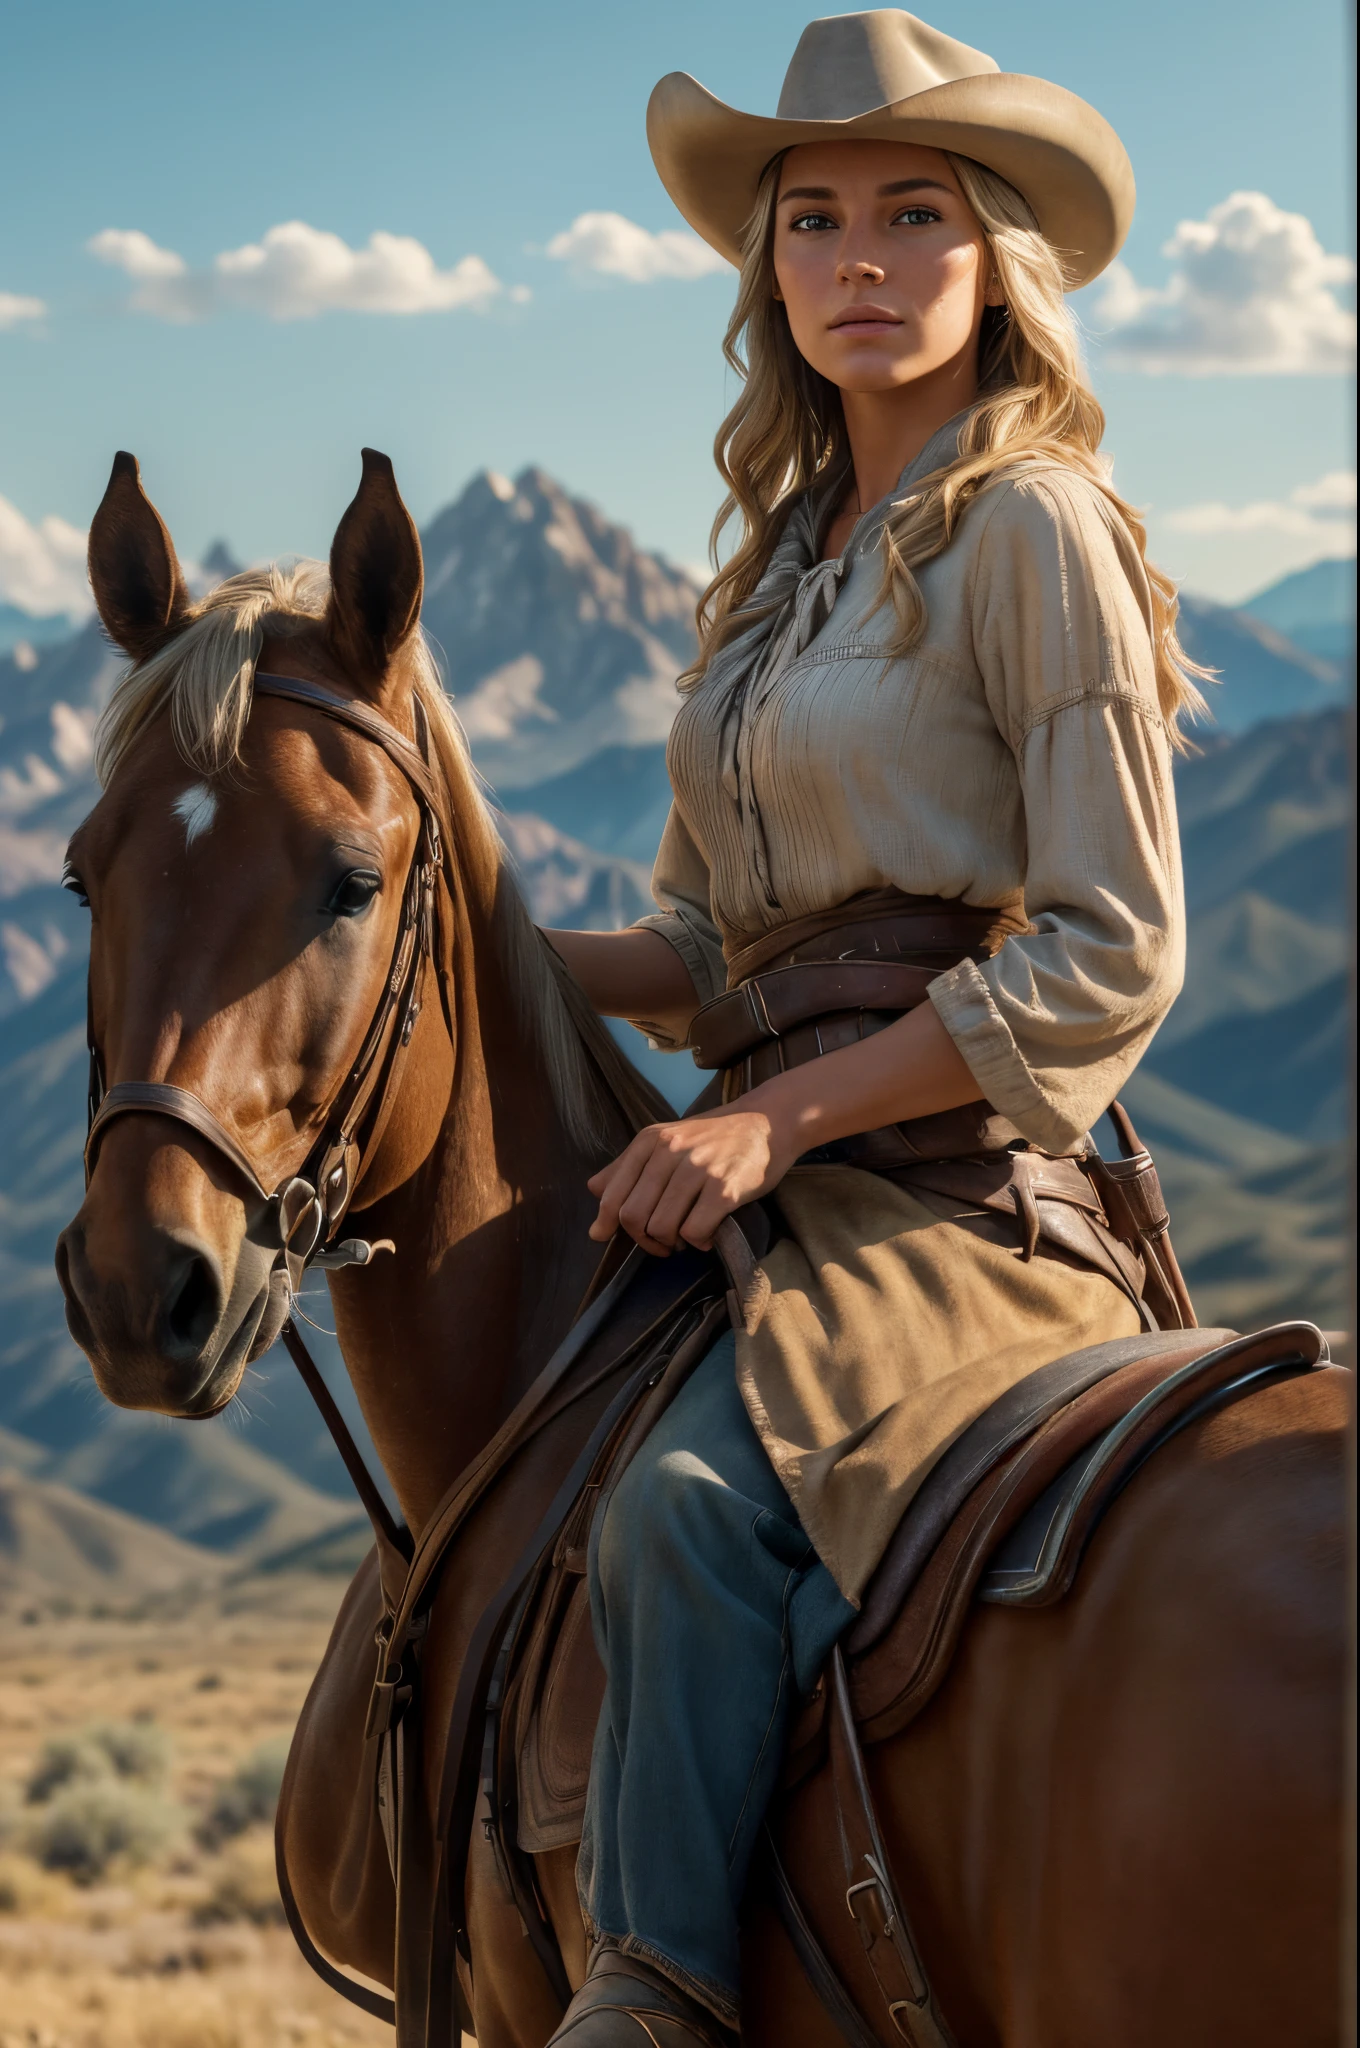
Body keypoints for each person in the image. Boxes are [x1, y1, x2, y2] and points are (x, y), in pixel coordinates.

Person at [542, 12, 1203, 2042]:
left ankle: (654, 1997)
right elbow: (697, 940)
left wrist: (772, 1125)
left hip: (952, 1205)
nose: (854, 259)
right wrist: (436, 941)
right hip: (768, 1194)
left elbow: (1111, 948)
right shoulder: (759, 586)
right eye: (809, 218)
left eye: (911, 215)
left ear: (997, 253)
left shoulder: (1029, 531)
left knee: (675, 1519)